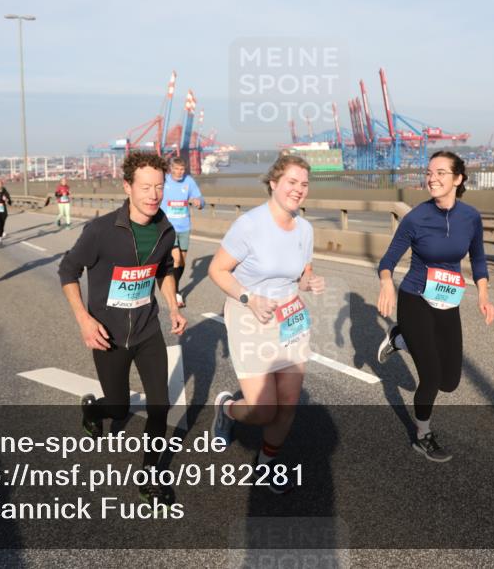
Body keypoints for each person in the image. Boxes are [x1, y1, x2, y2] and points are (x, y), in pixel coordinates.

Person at [58, 152, 187, 506]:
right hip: (109, 335)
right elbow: (68, 271)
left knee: (160, 407)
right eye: (145, 187)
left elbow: (163, 270)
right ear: (127, 186)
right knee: (117, 408)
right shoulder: (100, 231)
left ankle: (148, 478)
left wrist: (173, 305)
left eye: (159, 187)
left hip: (147, 332)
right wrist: (85, 319)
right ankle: (92, 410)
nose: (153, 195)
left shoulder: (166, 230)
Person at [207, 155, 325, 495]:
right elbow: (218, 270)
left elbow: (303, 273)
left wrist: (310, 283)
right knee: (262, 409)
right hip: (250, 315)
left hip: (289, 316)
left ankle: (267, 463)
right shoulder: (250, 225)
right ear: (273, 183)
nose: (298, 190)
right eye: (291, 182)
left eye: (304, 184)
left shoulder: (305, 229)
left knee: (287, 403)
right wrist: (249, 299)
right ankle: (227, 409)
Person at [375, 151, 494, 462]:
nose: (432, 178)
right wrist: (387, 282)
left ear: (458, 179)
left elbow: (479, 259)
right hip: (415, 298)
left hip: (448, 301)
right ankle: (422, 435)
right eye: (429, 172)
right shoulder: (416, 218)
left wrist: (483, 295)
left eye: (441, 172)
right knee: (429, 379)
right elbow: (388, 261)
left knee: (450, 382)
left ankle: (400, 338)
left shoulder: (470, 218)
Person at [162, 156, 204, 308]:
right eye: (177, 169)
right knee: (177, 259)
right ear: (171, 168)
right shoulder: (164, 181)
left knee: (182, 261)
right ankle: (175, 292)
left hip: (184, 227)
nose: (180, 172)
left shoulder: (189, 181)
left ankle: (173, 285)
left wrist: (199, 202)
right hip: (168, 227)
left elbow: (200, 198)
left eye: (182, 169)